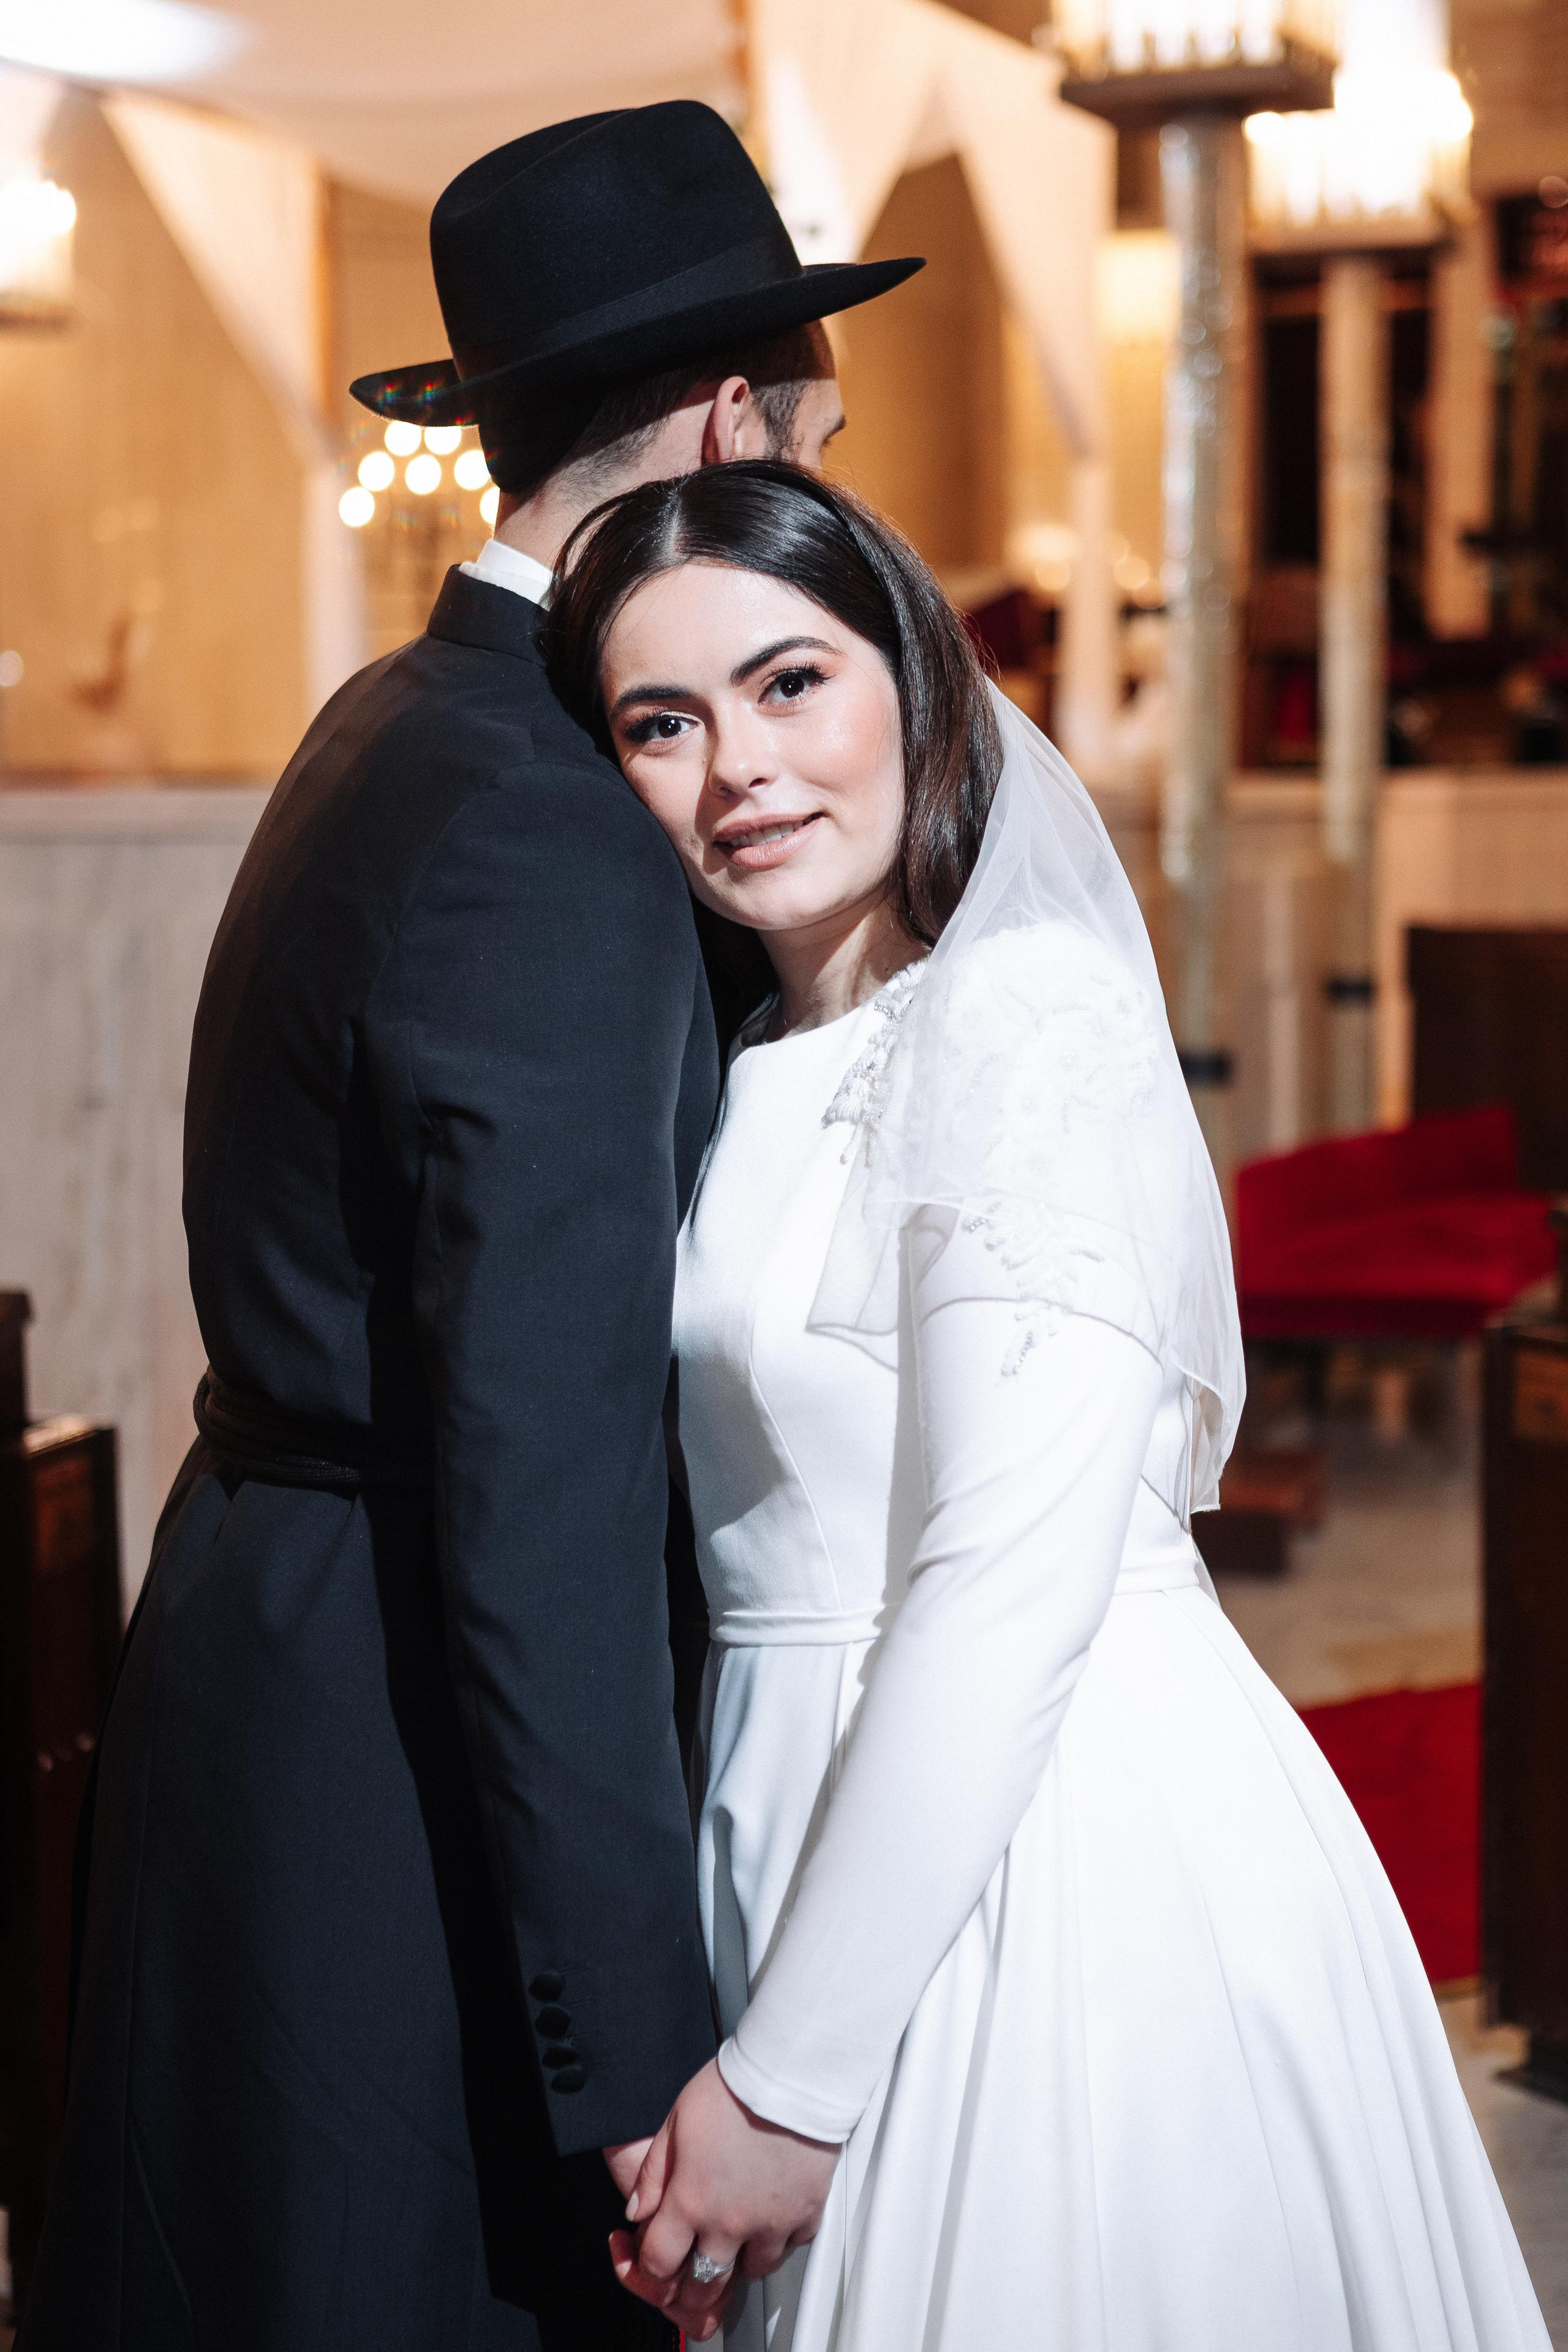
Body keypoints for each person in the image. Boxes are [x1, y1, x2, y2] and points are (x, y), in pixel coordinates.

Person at [18, 111, 919, 2352]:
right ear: (730, 429)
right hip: (400, 1752)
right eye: (819, 452)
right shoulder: (555, 819)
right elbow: (543, 1468)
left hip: (267, 1638)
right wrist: (636, 2063)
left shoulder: (403, 718)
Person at [545, 460, 1555, 2352]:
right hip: (797, 1801)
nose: (738, 766)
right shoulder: (749, 1055)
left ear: (915, 687)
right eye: (661, 723)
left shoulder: (1023, 1017)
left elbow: (1007, 1579)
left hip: (1047, 1846)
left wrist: (794, 2084)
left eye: (790, 683)